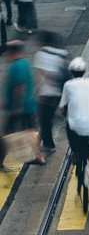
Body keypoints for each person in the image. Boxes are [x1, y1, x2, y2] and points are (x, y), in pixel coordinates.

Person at [59, 57, 89, 192]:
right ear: (85, 70)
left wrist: (62, 112)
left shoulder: (68, 85)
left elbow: (64, 106)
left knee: (69, 126)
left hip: (77, 127)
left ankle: (75, 152)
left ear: (71, 72)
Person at [0, 40, 46, 169]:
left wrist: (16, 107)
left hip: (18, 108)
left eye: (8, 52)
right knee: (31, 131)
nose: (6, 55)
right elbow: (36, 80)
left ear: (13, 52)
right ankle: (39, 157)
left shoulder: (16, 66)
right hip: (29, 104)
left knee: (6, 134)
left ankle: (0, 160)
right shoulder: (26, 63)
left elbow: (19, 87)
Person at [34, 30, 70, 152]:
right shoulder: (62, 53)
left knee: (44, 121)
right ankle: (45, 143)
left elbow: (41, 76)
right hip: (59, 93)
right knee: (47, 120)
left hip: (46, 94)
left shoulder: (41, 55)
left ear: (43, 42)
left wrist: (37, 92)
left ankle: (46, 145)